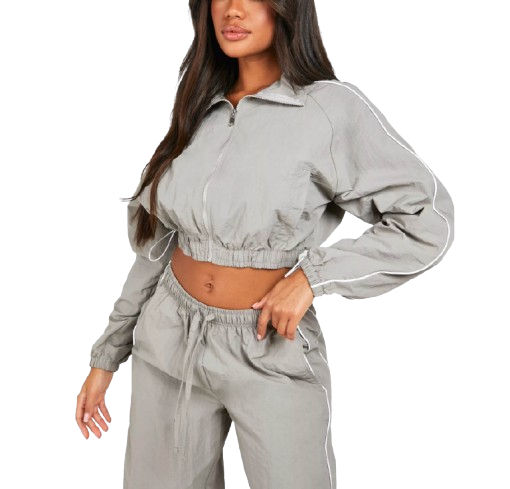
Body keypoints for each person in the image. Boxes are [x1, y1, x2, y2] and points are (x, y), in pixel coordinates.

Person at [76, 1, 455, 488]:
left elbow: (428, 220)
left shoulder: (329, 110)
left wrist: (312, 279)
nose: (232, 10)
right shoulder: (199, 104)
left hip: (269, 345)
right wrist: (107, 354)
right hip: (167, 343)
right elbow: (158, 243)